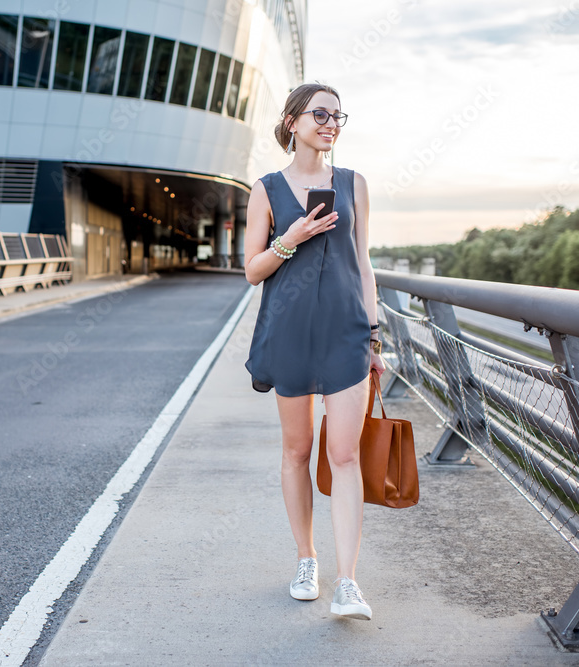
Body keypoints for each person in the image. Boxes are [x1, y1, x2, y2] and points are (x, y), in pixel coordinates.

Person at [244, 82, 385, 621]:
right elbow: (253, 271)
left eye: (338, 115)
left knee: (344, 455)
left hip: (346, 332)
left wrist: (373, 335)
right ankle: (307, 559)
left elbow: (364, 263)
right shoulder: (267, 189)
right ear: (292, 121)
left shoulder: (353, 184)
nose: (331, 123)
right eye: (320, 113)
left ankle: (348, 582)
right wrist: (294, 236)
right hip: (290, 332)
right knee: (298, 451)